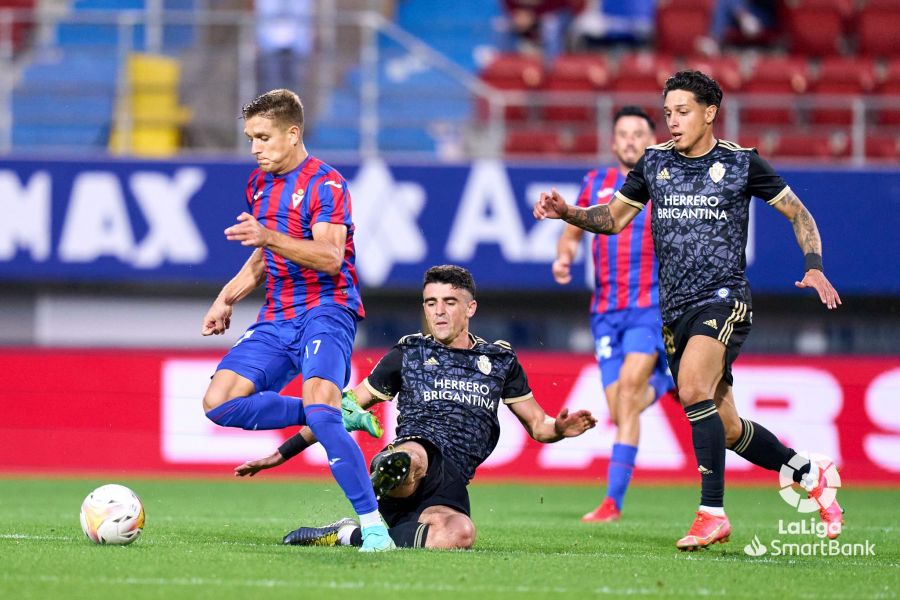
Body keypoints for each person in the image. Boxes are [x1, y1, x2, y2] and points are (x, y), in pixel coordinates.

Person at [533, 70, 843, 551]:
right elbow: (612, 218)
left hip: (724, 299)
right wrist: (569, 212)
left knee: (693, 387)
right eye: (668, 113)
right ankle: (811, 473)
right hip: (673, 311)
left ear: (709, 113)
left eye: (682, 112)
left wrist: (815, 266)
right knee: (728, 426)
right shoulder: (655, 163)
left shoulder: (742, 164)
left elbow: (799, 214)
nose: (672, 122)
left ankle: (711, 513)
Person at [233, 265, 598, 549]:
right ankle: (387, 473)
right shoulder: (408, 353)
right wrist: (283, 453)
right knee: (411, 456)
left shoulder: (500, 360)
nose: (438, 312)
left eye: (449, 303)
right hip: (410, 457)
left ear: (470, 307)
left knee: (459, 535)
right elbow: (337, 410)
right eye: (430, 303)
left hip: (451, 480)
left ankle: (347, 534)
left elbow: (538, 426)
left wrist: (561, 430)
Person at [199, 88, 393, 552]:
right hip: (276, 316)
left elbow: (328, 257)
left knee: (324, 416)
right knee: (218, 402)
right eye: (250, 138)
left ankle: (375, 530)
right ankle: (334, 411)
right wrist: (226, 298)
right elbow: (264, 258)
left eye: (263, 137)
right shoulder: (258, 185)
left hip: (327, 310)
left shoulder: (327, 185)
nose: (255, 148)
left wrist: (267, 235)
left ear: (293, 133)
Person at [553, 106, 674, 523]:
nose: (629, 140)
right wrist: (564, 258)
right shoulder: (595, 182)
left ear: (653, 140)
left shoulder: (666, 180)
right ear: (612, 142)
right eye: (622, 134)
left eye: (638, 133)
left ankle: (612, 503)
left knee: (626, 395)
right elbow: (571, 233)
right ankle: (667, 380)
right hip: (606, 312)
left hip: (649, 307)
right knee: (622, 409)